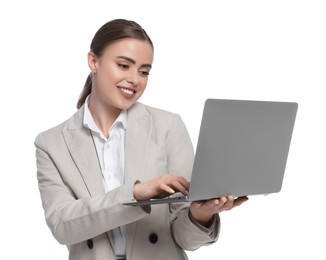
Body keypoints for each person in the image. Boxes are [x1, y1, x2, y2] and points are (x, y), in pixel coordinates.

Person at [35, 19, 248, 260]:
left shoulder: (168, 126)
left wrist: (200, 215)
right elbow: (62, 226)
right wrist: (136, 194)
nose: (135, 80)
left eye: (144, 71)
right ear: (93, 61)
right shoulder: (51, 143)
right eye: (124, 65)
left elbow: (185, 239)